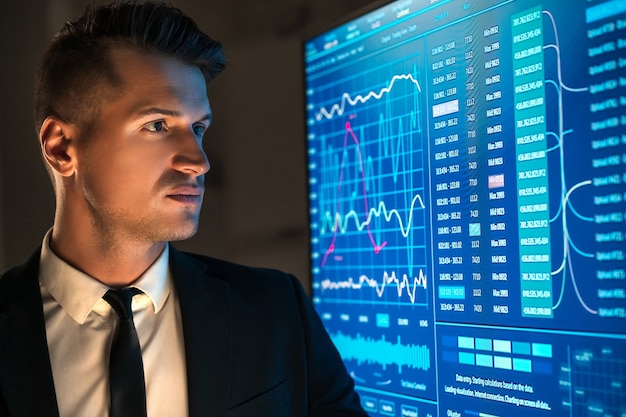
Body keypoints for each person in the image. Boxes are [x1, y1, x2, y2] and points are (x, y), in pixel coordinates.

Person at [0, 1, 367, 416]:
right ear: (62, 148)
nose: (198, 160)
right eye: (157, 125)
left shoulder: (277, 312)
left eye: (198, 128)